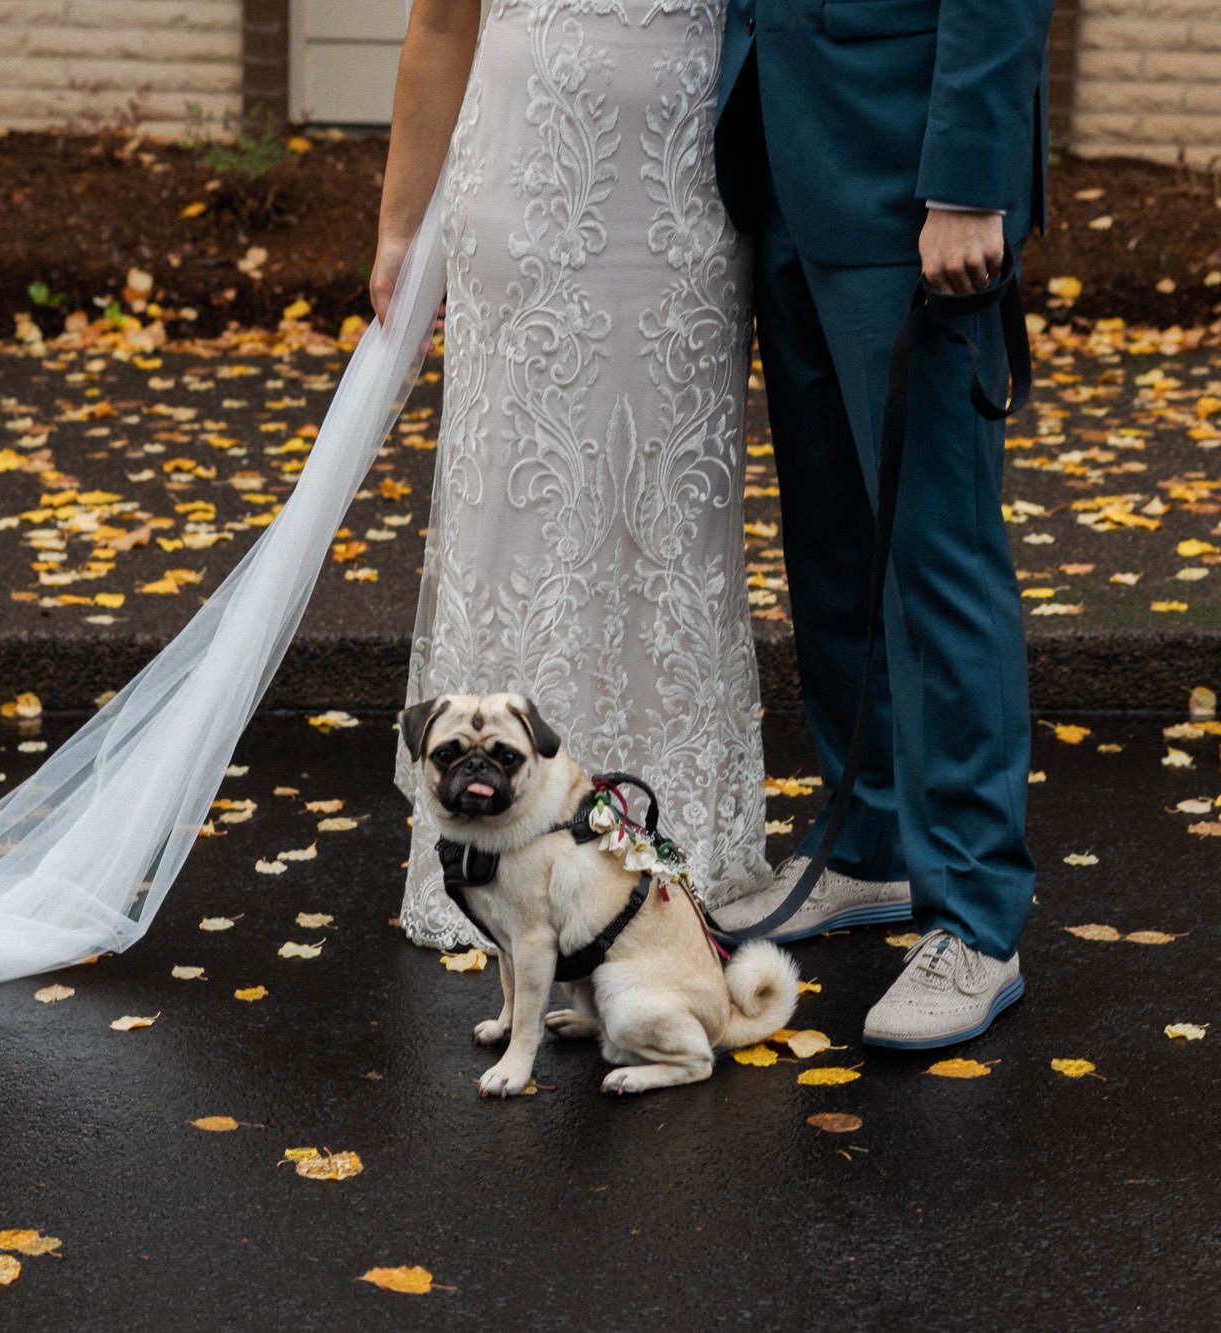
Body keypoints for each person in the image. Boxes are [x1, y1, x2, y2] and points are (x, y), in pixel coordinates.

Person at [374, 0, 772, 951]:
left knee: (671, 517)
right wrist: (399, 228)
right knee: (522, 508)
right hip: (529, 190)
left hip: (689, 207)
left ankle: (672, 850)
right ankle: (499, 849)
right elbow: (438, 26)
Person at [700, 0, 1052, 1049]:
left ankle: (977, 919)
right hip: (784, 164)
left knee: (933, 556)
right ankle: (869, 848)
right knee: (830, 544)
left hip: (910, 177)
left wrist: (965, 181)